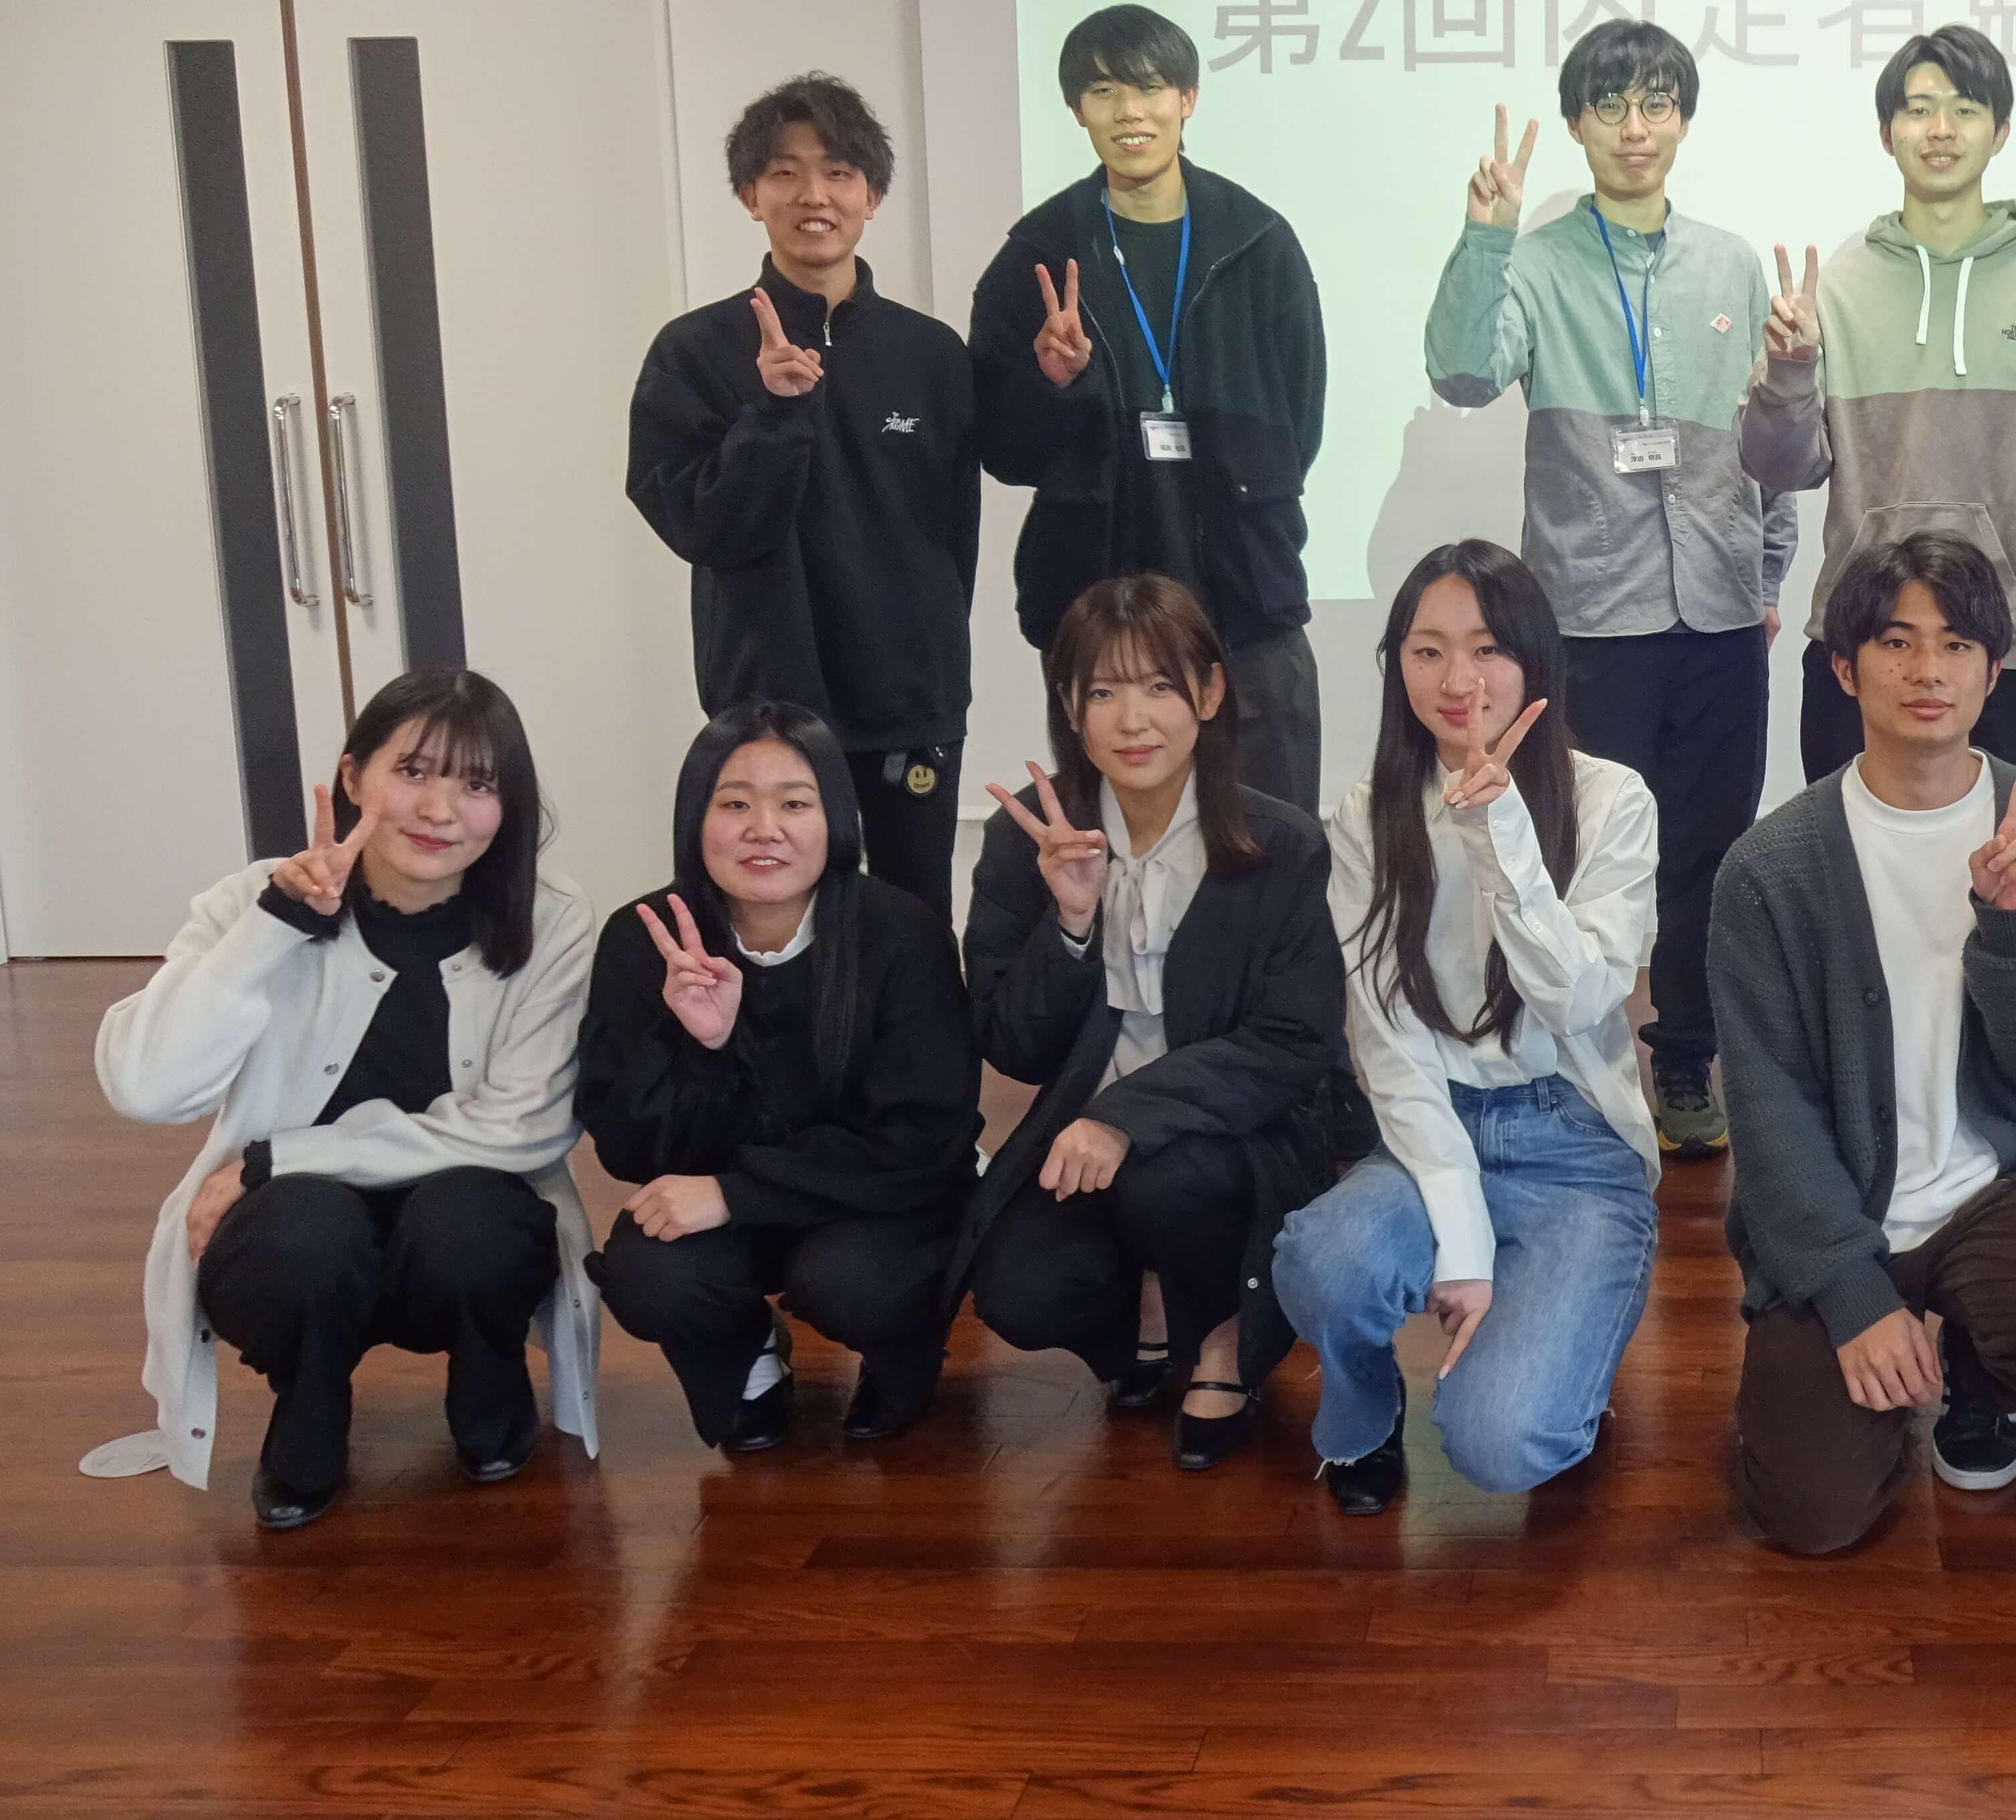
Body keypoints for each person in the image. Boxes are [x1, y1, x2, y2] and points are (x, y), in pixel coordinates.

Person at [1711, 532, 2016, 1555]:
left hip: (2000, 1187)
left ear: (1993, 671)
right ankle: (1859, 1351)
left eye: (1956, 645)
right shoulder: (1770, 868)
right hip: (1840, 1206)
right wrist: (1853, 1296)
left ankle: (1977, 1386)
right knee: (1811, 1517)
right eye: (1896, 642)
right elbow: (1768, 1109)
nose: (1927, 671)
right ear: (1843, 668)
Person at [94, 669, 598, 1529]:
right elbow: (146, 1085)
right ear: (353, 777)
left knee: (472, 1224)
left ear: (507, 806)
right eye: (414, 772)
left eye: (477, 785)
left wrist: (277, 1158)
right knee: (305, 1237)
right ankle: (308, 1420)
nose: (440, 810)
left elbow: (528, 1124)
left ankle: (491, 1394)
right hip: (299, 1222)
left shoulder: (550, 917)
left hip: (460, 1212)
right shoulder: (254, 902)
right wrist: (273, 928)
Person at [1424, 19, 1794, 1161]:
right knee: (1574, 851)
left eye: (1657, 103)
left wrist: (1767, 572)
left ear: (1684, 118)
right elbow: (1463, 372)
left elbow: (1772, 447)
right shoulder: (1535, 261)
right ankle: (1566, 1059)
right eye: (1611, 105)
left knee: (1710, 853)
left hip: (1718, 615)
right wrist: (1484, 237)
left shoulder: (1731, 263)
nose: (1636, 128)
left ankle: (1684, 1056)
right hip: (1588, 615)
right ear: (1578, 123)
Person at [1271, 541, 1661, 1517]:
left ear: (1535, 659)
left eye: (1487, 649)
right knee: (1323, 1261)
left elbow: (1579, 1000)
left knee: (1505, 1442)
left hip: (1576, 1143)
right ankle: (1364, 1414)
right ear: (1396, 665)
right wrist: (1464, 1245)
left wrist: (1503, 836)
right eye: (1427, 651)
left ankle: (1573, 1340)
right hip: (1433, 1123)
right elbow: (1386, 1039)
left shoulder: (1612, 799)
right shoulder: (1367, 816)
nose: (1458, 681)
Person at [946, 574, 1339, 1471]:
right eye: (1103, 692)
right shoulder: (1026, 840)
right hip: (1085, 1141)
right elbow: (1012, 1045)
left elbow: (1293, 1044)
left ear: (1210, 692)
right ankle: (1149, 1317)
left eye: (1160, 686)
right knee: (1015, 1290)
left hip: (1240, 1139)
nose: (1133, 720)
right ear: (1070, 707)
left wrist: (1125, 1118)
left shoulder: (1282, 846)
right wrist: (1070, 922)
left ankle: (1223, 1343)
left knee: (1169, 1184)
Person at [577, 702, 982, 1452]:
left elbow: (922, 1141)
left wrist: (739, 1192)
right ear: (695, 818)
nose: (764, 829)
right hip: (724, 1203)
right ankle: (751, 1360)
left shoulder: (902, 933)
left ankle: (902, 1353)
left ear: (836, 820)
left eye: (795, 804)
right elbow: (625, 1150)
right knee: (649, 1272)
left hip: (877, 1202)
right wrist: (702, 1049)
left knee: (850, 1280)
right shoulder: (647, 941)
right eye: (735, 804)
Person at [627, 74, 978, 916]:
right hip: (764, 708)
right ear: (750, 196)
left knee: (916, 922)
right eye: (785, 173)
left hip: (907, 704)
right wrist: (775, 417)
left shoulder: (930, 354)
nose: (813, 195)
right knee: (766, 923)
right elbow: (704, 527)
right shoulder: (695, 351)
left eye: (839, 173)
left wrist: (925, 654)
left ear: (873, 195)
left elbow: (953, 535)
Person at [969, 3, 1329, 809]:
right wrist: (1055, 384)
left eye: (1150, 87)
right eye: (1104, 92)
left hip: (1247, 596)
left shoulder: (1258, 242)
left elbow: (1299, 422)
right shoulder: (1036, 256)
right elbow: (1004, 450)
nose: (1129, 111)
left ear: (1187, 99)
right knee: (1118, 843)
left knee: (1271, 837)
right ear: (1077, 110)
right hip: (1097, 604)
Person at [1740, 25, 2016, 786]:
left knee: (2015, 853)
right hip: (1862, 643)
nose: (1941, 130)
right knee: (1851, 857)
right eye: (1918, 110)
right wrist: (1791, 369)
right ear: (1888, 133)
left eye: (1965, 109)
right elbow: (1779, 468)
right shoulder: (1837, 285)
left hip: (2011, 646)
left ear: (2000, 131)